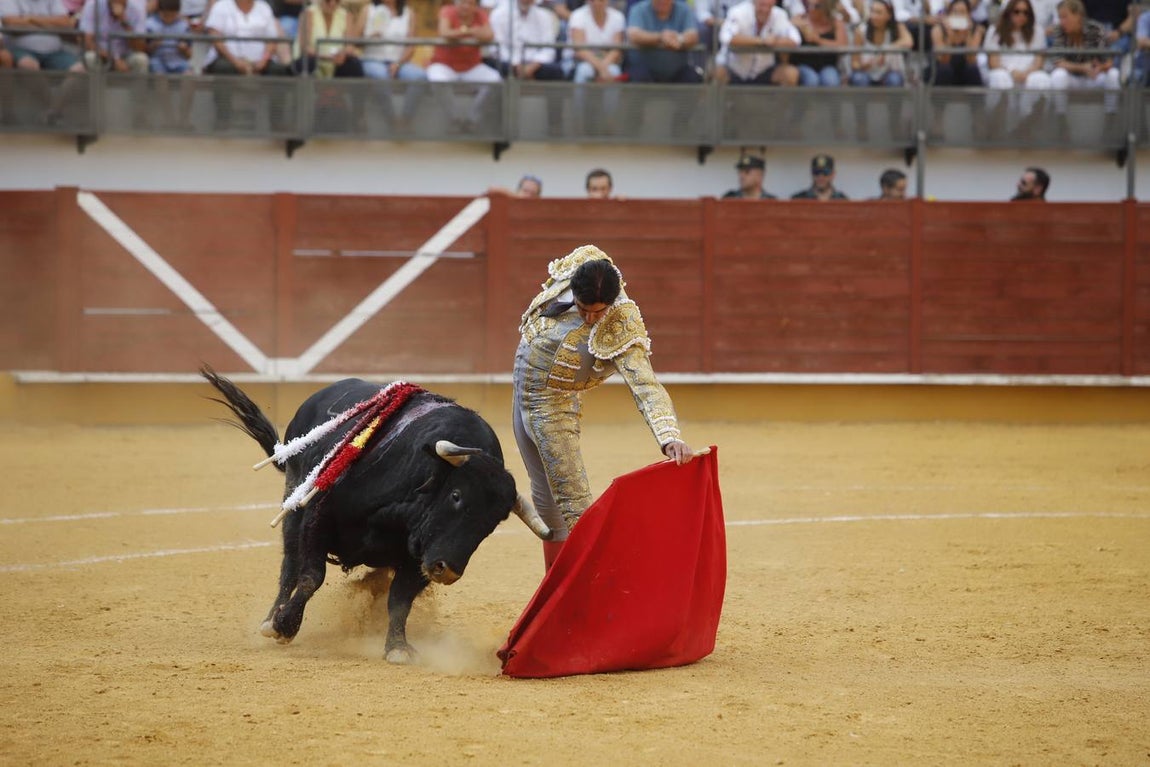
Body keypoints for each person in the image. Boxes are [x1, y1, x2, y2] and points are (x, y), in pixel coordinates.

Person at [512, 245, 697, 570]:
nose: (591, 318)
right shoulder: (582, 265)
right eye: (584, 309)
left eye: (599, 312)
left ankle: (592, 589)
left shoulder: (621, 322)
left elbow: (646, 385)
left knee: (576, 508)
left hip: (554, 408)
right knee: (546, 503)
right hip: (521, 396)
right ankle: (556, 589)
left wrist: (669, 435)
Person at [202, 0, 293, 129]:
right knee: (223, 68)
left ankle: (277, 121)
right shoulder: (221, 6)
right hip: (229, 58)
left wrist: (264, 60)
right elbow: (215, 36)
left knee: (278, 70)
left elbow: (272, 40)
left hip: (259, 61)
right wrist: (235, 61)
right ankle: (223, 119)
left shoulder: (264, 7)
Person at [489, 0, 566, 134]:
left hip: (535, 64)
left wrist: (532, 66)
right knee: (495, 69)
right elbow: (497, 47)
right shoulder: (499, 14)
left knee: (556, 72)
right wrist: (517, 64)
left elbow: (549, 48)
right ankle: (500, 127)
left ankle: (555, 125)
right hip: (509, 63)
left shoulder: (544, 16)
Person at [1048, 0, 1121, 138]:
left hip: (1094, 77)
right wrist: (1083, 68)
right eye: (1060, 17)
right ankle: (1061, 123)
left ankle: (1110, 123)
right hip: (1072, 79)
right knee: (1058, 75)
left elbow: (1108, 61)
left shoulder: (1096, 29)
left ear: (1078, 16)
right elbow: (1058, 62)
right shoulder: (1058, 30)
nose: (1062, 21)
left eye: (1065, 17)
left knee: (1114, 74)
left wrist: (1100, 67)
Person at [427, 0, 501, 133]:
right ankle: (454, 119)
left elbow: (489, 35)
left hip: (471, 66)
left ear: (475, 6)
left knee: (495, 79)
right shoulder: (447, 10)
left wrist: (458, 34)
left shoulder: (480, 14)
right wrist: (470, 31)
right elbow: (444, 32)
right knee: (437, 79)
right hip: (444, 65)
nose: (466, 6)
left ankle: (472, 120)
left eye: (470, 3)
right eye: (462, 2)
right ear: (456, 3)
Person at [983, 0, 1051, 137]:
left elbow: (1039, 61)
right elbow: (993, 61)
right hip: (1004, 71)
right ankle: (995, 127)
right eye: (1017, 12)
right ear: (1009, 13)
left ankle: (1027, 125)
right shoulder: (995, 30)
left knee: (1042, 79)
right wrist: (1011, 72)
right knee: (1001, 79)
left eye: (1026, 13)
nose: (1021, 16)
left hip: (1029, 73)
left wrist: (1026, 73)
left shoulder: (1037, 31)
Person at [357, 0, 427, 131]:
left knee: (420, 77)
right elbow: (354, 40)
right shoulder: (368, 9)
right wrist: (370, 37)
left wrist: (398, 63)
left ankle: (405, 119)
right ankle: (391, 119)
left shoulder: (409, 12)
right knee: (380, 75)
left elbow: (411, 46)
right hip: (372, 59)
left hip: (399, 61)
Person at [567, 0, 625, 133]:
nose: (597, 2)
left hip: (608, 62)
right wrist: (601, 67)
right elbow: (580, 49)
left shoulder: (617, 17)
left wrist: (604, 66)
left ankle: (609, 122)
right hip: (582, 62)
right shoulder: (577, 15)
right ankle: (578, 121)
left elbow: (616, 49)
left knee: (614, 73)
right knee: (583, 72)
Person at [716, 0, 800, 86]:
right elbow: (726, 37)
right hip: (734, 70)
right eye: (762, 5)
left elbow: (795, 40)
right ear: (754, 2)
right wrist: (761, 41)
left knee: (790, 74)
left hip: (764, 71)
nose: (765, 10)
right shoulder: (738, 12)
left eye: (769, 6)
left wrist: (776, 41)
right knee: (718, 72)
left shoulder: (779, 15)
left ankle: (779, 100)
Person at [624, 0, 701, 83]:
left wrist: (678, 39)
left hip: (678, 70)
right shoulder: (638, 9)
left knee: (692, 77)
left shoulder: (684, 9)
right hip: (643, 69)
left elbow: (693, 35)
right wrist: (660, 37)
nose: (662, 1)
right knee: (638, 76)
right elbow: (634, 35)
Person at [78, 0, 149, 73]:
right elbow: (87, 41)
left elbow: (140, 47)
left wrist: (123, 21)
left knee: (141, 59)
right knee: (90, 57)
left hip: (126, 56)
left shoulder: (137, 8)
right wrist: (114, 60)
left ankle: (137, 84)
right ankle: (96, 84)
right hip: (102, 55)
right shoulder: (93, 5)